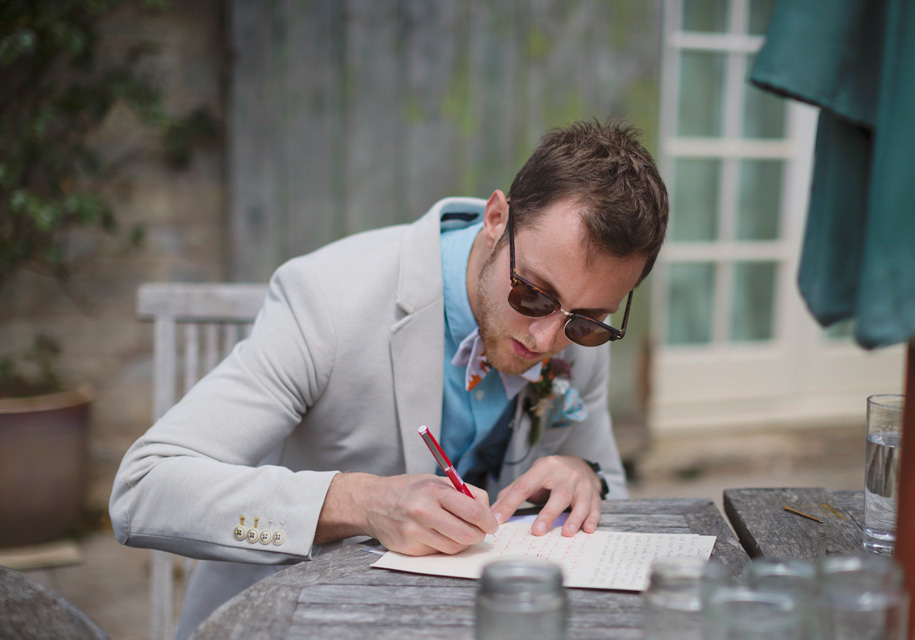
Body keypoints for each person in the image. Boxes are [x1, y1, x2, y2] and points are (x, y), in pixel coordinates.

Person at [109, 119, 669, 638]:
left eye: (588, 320)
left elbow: (611, 502)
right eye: (534, 295)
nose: (548, 340)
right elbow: (145, 490)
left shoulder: (579, 332)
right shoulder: (327, 299)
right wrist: (360, 501)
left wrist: (581, 480)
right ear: (496, 220)